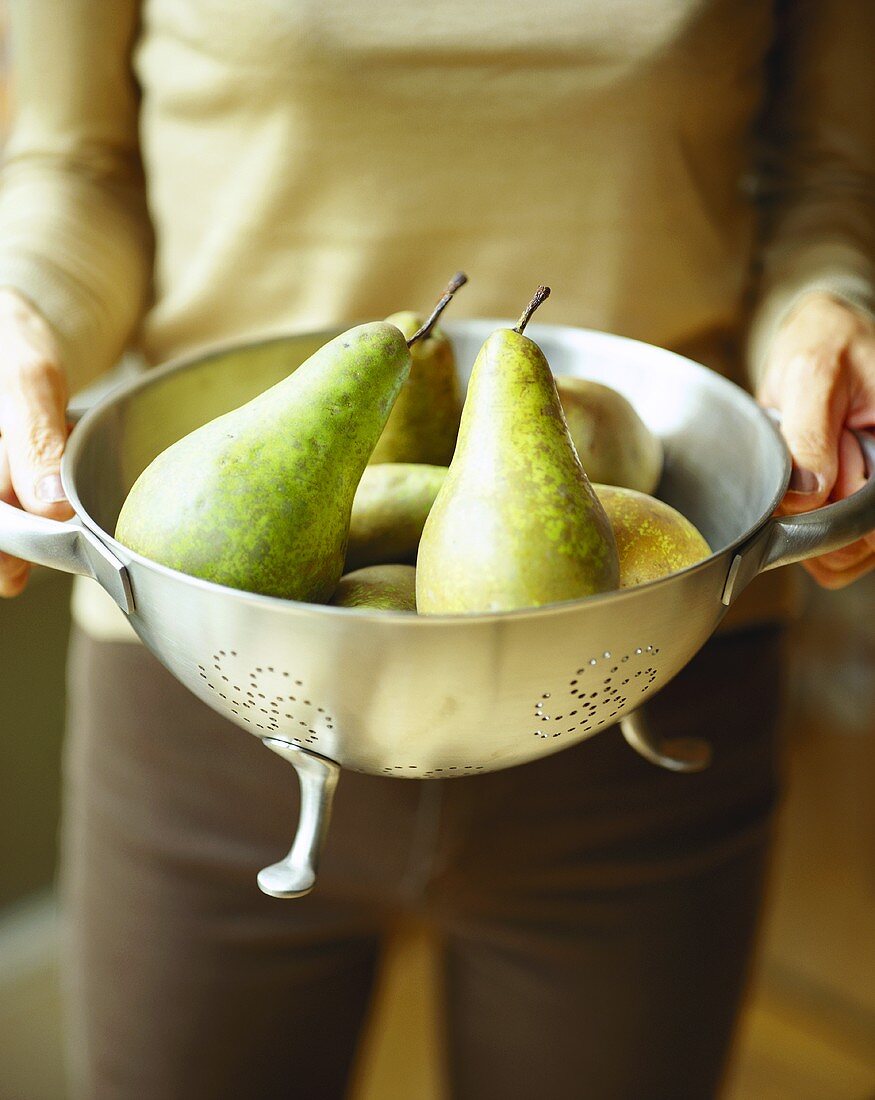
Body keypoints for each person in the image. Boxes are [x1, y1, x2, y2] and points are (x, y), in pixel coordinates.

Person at [0, 2, 872, 1097]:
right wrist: (21, 316)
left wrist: (826, 313)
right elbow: (76, 163)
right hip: (216, 687)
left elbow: (824, 176)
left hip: (648, 666)